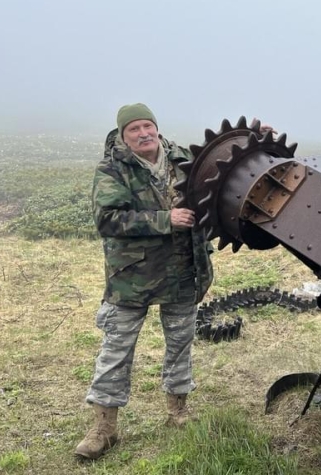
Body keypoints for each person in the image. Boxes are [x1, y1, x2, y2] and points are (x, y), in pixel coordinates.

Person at [75, 103, 214, 459]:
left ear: (157, 128)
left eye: (147, 126)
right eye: (134, 128)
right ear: (123, 135)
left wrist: (256, 139)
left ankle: (177, 412)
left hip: (184, 271)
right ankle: (104, 428)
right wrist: (165, 220)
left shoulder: (182, 158)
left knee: (180, 344)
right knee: (116, 351)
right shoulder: (112, 169)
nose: (143, 133)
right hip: (131, 278)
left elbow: (219, 173)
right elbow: (108, 219)